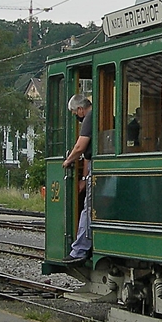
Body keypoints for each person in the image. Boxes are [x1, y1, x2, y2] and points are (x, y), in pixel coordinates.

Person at [63, 94, 93, 261]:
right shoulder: (100, 115)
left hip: (98, 169)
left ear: (80, 109)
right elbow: (89, 154)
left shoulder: (89, 117)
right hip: (94, 168)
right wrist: (84, 177)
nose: (77, 117)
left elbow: (81, 147)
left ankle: (79, 250)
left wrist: (68, 160)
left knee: (88, 209)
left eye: (75, 113)